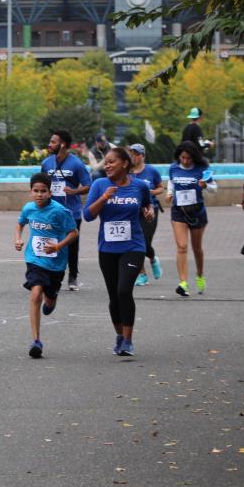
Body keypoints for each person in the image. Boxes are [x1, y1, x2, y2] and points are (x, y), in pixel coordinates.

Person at [83, 146, 154, 357]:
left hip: (133, 246)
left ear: (124, 163)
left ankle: (128, 341)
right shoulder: (99, 185)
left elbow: (147, 204)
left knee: (124, 291)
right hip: (107, 248)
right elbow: (88, 215)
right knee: (114, 296)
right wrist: (104, 198)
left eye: (111, 162)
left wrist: (149, 211)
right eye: (105, 162)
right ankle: (120, 336)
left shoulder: (140, 186)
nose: (107, 165)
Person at [14, 172, 79, 359]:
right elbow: (20, 224)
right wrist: (18, 239)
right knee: (36, 293)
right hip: (34, 259)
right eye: (36, 191)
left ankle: (51, 300)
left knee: (49, 301)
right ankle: (36, 341)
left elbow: (73, 233)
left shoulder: (60, 211)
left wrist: (58, 246)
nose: (39, 195)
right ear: (30, 192)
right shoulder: (28, 209)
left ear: (50, 193)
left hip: (56, 263)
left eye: (43, 191)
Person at [39, 130, 91, 290]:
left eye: (53, 142)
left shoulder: (76, 164)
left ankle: (73, 276)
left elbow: (88, 185)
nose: (49, 144)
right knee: (50, 242)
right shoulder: (47, 163)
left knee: (72, 245)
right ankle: (49, 275)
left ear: (62, 145)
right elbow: (41, 185)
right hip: (51, 211)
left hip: (71, 212)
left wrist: (74, 191)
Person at [167, 141, 216, 296]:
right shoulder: (173, 168)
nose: (186, 161)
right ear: (179, 156)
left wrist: (205, 186)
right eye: (183, 158)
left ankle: (200, 275)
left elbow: (214, 188)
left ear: (194, 157)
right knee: (182, 246)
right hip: (178, 212)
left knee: (197, 248)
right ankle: (183, 283)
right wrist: (169, 193)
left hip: (197, 212)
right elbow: (171, 181)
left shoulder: (202, 168)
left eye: (189, 158)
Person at [128, 143, 165, 286]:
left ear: (142, 156)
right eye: (131, 154)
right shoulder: (127, 171)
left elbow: (161, 188)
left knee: (145, 242)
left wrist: (150, 192)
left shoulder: (151, 171)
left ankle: (153, 259)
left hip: (150, 209)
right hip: (132, 210)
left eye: (136, 154)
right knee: (135, 243)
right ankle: (142, 274)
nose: (133, 157)